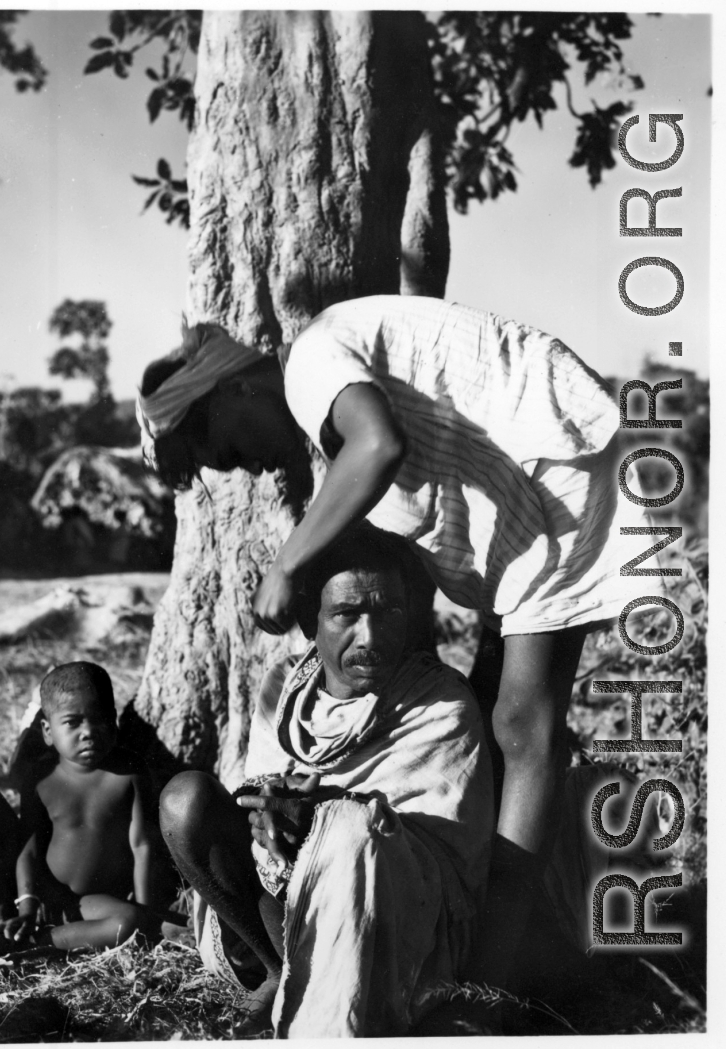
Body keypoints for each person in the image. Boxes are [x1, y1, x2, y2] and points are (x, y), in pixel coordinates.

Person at [137, 295, 657, 988]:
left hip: (558, 464)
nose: (253, 466)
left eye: (230, 447)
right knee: (497, 718)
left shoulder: (312, 361)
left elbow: (380, 444)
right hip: (541, 480)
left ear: (234, 387)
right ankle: (499, 927)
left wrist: (289, 562)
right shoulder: (328, 388)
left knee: (521, 727)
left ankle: (493, 973)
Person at [158, 525, 493, 1037]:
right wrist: (269, 816)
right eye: (346, 615)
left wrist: (324, 813)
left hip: (391, 915)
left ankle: (331, 999)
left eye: (388, 614)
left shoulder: (442, 701)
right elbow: (260, 794)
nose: (371, 637)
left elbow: (440, 859)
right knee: (185, 802)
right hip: (285, 897)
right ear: (310, 620)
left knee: (349, 833)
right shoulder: (284, 687)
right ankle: (279, 970)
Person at [0, 661, 167, 958]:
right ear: (47, 731)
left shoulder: (130, 773)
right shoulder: (42, 778)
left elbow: (142, 846)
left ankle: (31, 942)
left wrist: (147, 915)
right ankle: (6, 916)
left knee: (129, 922)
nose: (88, 732)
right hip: (40, 893)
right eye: (72, 722)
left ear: (114, 722)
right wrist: (28, 906)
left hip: (93, 902)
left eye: (100, 720)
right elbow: (29, 850)